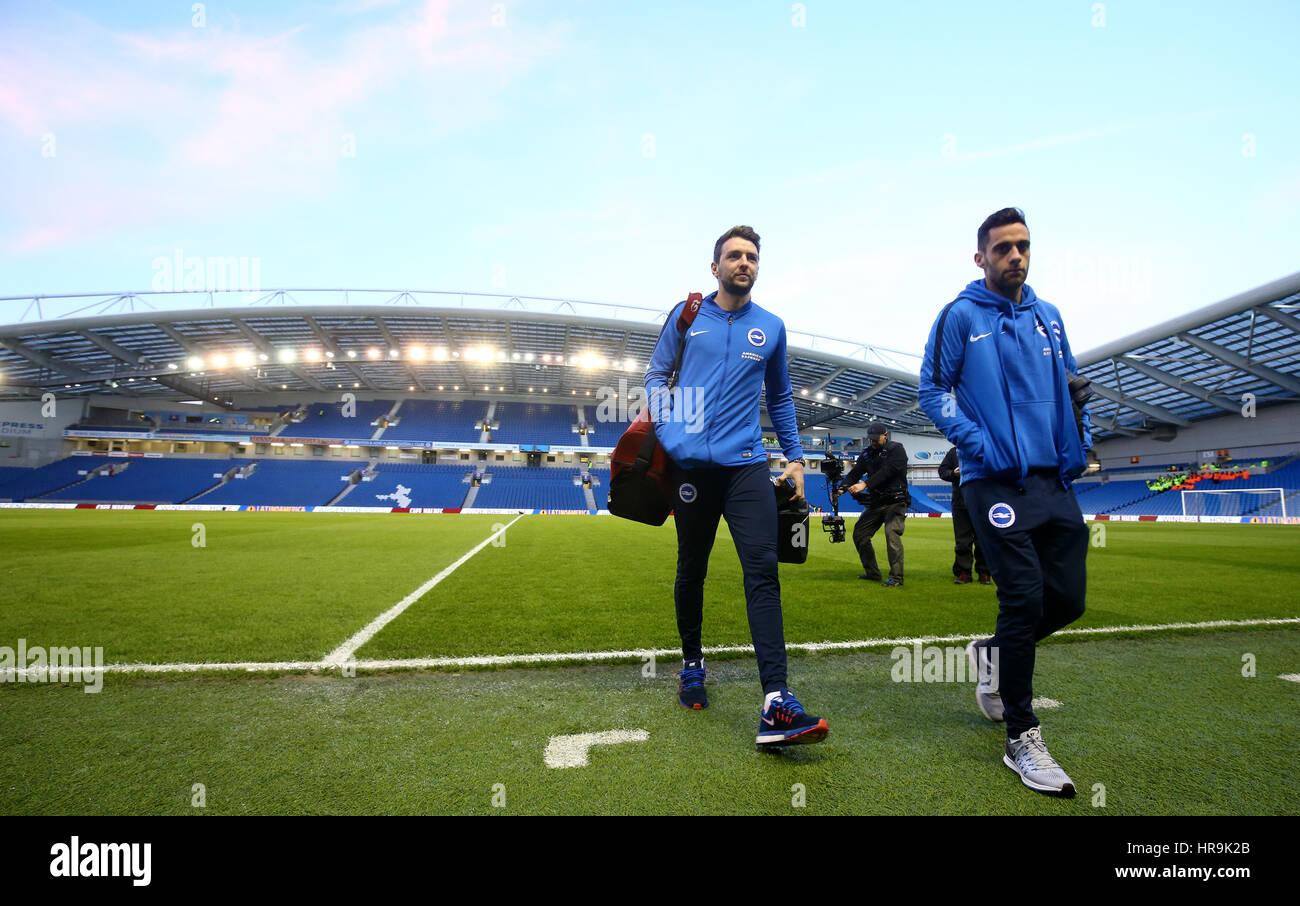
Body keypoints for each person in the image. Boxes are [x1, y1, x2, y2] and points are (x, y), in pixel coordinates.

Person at [918, 207, 1091, 797]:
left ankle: (992, 655)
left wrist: (1081, 443)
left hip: (1053, 479)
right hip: (993, 480)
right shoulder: (960, 315)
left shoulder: (1050, 317)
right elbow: (931, 390)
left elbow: (1073, 387)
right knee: (1022, 597)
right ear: (981, 258)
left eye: (1022, 246)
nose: (1015, 256)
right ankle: (1022, 735)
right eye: (1003, 249)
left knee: (1067, 600)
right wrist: (977, 440)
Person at [644, 225, 829, 747]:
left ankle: (776, 700)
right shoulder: (687, 317)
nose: (742, 263)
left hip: (747, 466)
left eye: (750, 257)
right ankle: (692, 663)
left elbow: (782, 397)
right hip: (693, 472)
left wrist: (795, 458)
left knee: (763, 572)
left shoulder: (770, 327)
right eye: (733, 256)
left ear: (757, 266)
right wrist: (671, 428)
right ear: (715, 266)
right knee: (692, 568)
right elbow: (657, 376)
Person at [836, 423, 909, 587]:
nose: (873, 442)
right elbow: (855, 473)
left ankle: (897, 578)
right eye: (871, 439)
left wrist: (865, 484)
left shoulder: (896, 449)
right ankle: (872, 573)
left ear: (885, 435)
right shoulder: (867, 453)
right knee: (860, 534)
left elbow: (888, 471)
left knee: (892, 535)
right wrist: (842, 487)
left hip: (896, 501)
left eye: (876, 439)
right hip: (877, 502)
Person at [937, 446, 991, 585]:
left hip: (983, 501)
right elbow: (942, 471)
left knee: (983, 540)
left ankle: (984, 573)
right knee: (962, 541)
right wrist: (953, 473)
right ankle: (964, 572)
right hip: (961, 502)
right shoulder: (954, 452)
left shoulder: (985, 448)